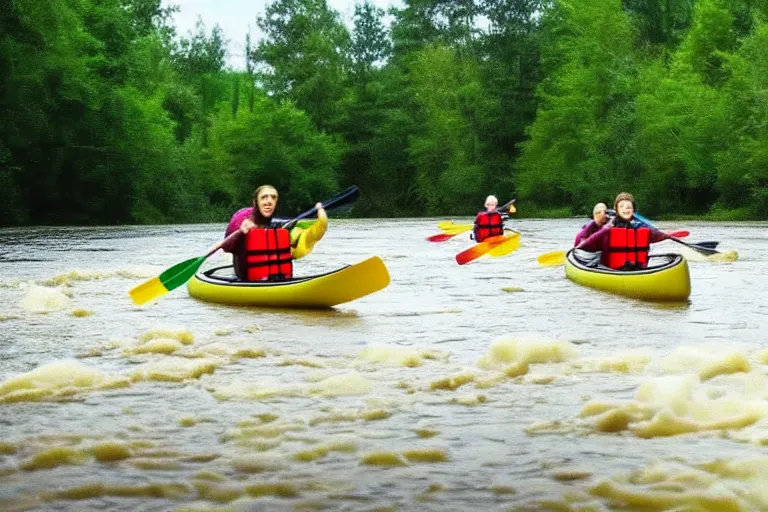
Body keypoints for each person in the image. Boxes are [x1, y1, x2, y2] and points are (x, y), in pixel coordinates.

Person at [221, 185, 327, 281]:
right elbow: (226, 247)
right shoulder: (241, 217)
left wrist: (321, 216)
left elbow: (307, 237)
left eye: (273, 197)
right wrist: (240, 231)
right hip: (245, 281)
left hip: (279, 281)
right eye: (264, 197)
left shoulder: (281, 226)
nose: (269, 201)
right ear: (255, 202)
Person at [577, 192, 668, 270]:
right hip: (609, 270)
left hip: (638, 270)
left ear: (633, 209)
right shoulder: (608, 227)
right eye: (622, 207)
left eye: (629, 207)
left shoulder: (639, 227)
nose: (626, 209)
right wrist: (604, 230)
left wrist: (665, 235)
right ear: (616, 209)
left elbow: (655, 236)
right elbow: (586, 244)